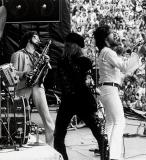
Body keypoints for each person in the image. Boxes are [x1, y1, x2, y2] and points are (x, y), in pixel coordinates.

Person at [93, 25, 146, 160]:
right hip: (110, 90)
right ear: (106, 38)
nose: (115, 36)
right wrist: (138, 54)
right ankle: (114, 156)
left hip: (106, 89)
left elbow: (120, 72)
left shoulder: (104, 52)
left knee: (111, 122)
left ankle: (105, 152)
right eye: (111, 34)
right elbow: (124, 67)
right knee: (120, 121)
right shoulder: (108, 52)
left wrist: (126, 75)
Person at [54, 32, 109, 160]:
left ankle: (105, 157)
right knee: (58, 135)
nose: (65, 48)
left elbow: (79, 78)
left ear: (75, 47)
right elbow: (60, 80)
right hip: (67, 101)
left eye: (68, 45)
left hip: (82, 100)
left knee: (98, 132)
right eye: (65, 45)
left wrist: (67, 61)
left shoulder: (84, 61)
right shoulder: (62, 60)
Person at [10, 31, 55, 146]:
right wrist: (24, 74)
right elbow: (12, 73)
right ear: (29, 38)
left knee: (48, 119)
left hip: (37, 86)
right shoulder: (18, 54)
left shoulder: (39, 56)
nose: (38, 39)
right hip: (23, 87)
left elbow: (43, 76)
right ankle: (18, 142)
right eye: (36, 37)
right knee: (19, 118)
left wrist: (45, 65)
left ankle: (50, 146)